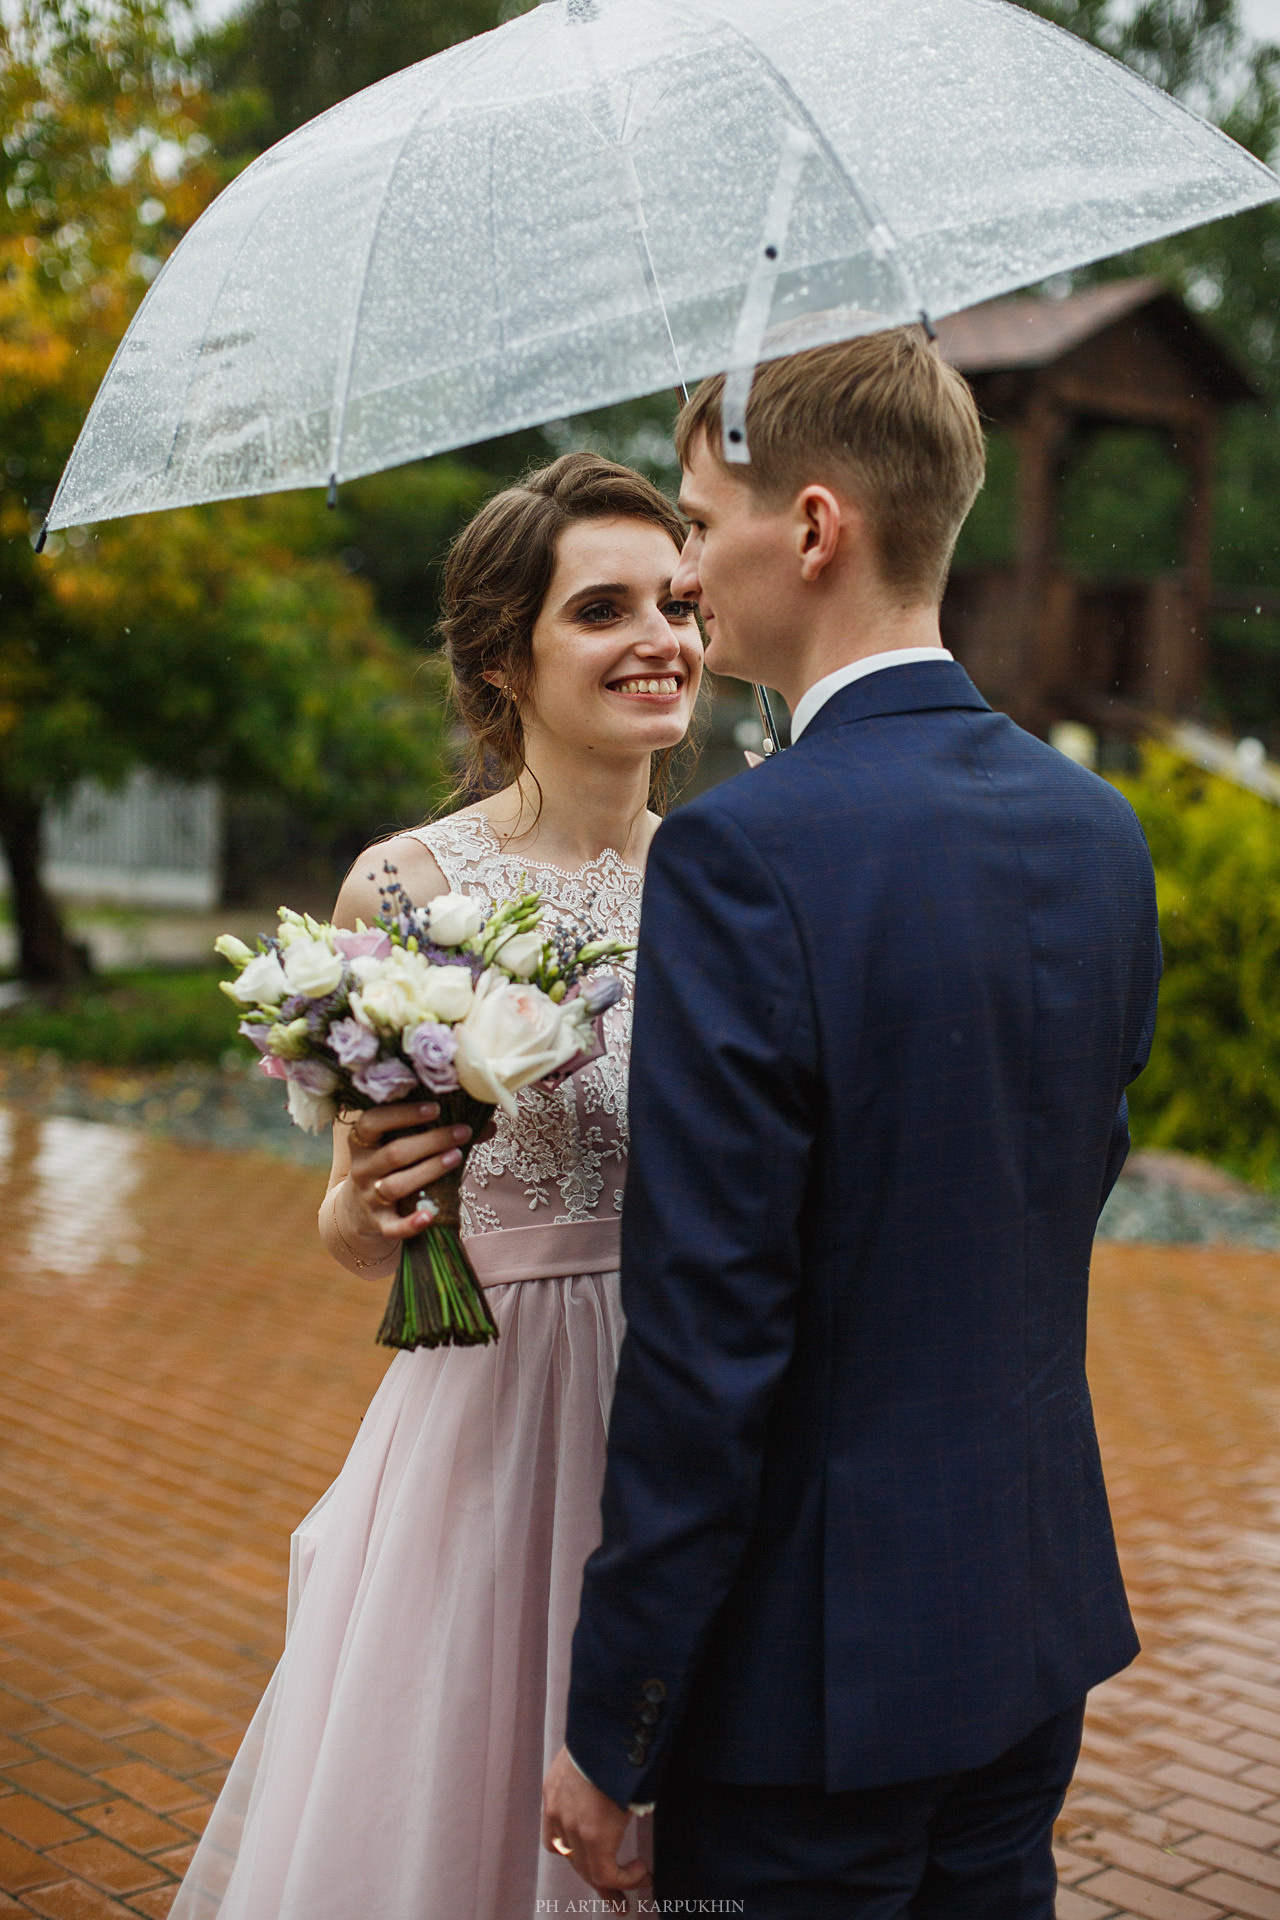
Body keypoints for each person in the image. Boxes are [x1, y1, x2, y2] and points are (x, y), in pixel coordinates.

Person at [542, 326, 1162, 1915]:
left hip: (814, 1682)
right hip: (1027, 1625)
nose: (683, 569)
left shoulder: (744, 856)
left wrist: (619, 1726)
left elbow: (709, 1337)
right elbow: (1054, 1189)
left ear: (812, 528)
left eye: (694, 521)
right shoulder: (1099, 833)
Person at [169, 452, 703, 1920]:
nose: (663, 636)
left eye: (680, 599)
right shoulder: (405, 893)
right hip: (496, 1411)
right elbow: (349, 1222)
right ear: (500, 660)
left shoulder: (731, 877)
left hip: (689, 1415)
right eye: (604, 608)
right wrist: (370, 1213)